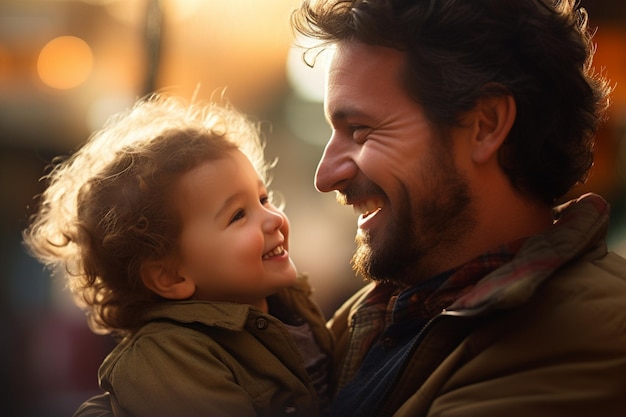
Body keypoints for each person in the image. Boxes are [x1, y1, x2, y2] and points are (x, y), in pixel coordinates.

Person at [288, 0, 626, 416]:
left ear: (485, 125)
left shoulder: (590, 331)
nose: (326, 176)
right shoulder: (379, 314)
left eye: (360, 131)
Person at [23, 94, 333, 417]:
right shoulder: (164, 356)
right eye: (238, 215)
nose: (273, 218)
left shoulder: (291, 307)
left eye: (264, 198)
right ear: (171, 276)